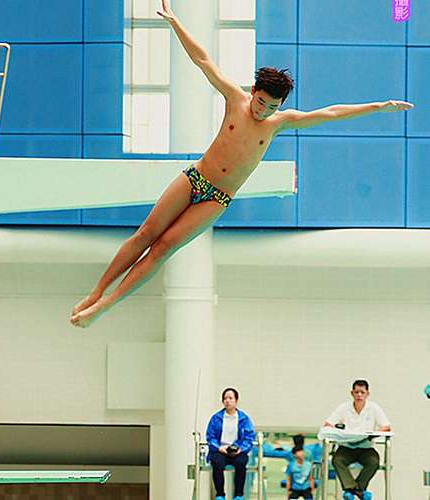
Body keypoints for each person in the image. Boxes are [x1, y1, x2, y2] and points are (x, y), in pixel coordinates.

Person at [70, 0, 414, 328]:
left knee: (162, 248)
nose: (263, 111)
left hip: (217, 198)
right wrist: (175, 22)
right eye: (260, 103)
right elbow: (202, 60)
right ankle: (96, 292)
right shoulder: (235, 99)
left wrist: (379, 106)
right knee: (146, 233)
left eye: (271, 107)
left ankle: (106, 305)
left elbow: (331, 113)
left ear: (280, 106)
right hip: (195, 178)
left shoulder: (279, 123)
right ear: (253, 90)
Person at [324, 380, 391, 500]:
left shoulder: (373, 408)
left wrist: (373, 434)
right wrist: (338, 429)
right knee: (337, 460)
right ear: (352, 393)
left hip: (365, 447)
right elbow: (328, 424)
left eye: (362, 392)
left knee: (374, 461)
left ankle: (355, 489)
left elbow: (386, 426)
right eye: (356, 392)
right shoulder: (344, 407)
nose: (359, 395)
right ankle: (358, 491)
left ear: (367, 394)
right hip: (346, 447)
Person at [206, 388, 255, 500]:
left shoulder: (244, 418)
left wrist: (241, 449)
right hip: (220, 451)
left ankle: (238, 495)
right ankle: (220, 494)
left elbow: (249, 437)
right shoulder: (216, 418)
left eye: (230, 398)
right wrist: (219, 447)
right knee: (217, 462)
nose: (227, 401)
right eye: (225, 398)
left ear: (236, 400)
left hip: (238, 451)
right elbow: (210, 436)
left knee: (241, 462)